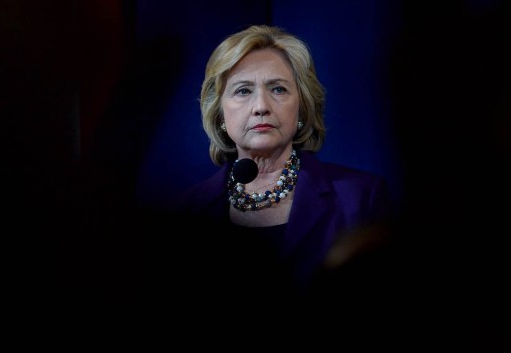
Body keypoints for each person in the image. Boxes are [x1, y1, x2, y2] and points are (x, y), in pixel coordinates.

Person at [169, 24, 394, 303]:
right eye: (243, 91)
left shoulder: (360, 198)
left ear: (301, 107)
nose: (261, 105)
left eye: (277, 89)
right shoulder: (186, 211)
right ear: (220, 114)